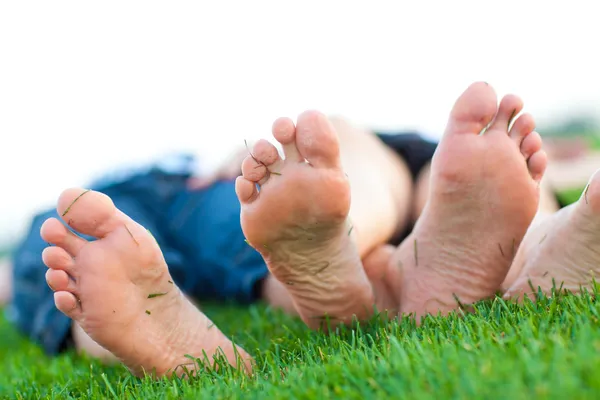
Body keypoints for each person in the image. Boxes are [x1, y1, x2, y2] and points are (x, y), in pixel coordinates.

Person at [4, 82, 599, 378]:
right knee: (363, 162)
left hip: (196, 196)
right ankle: (534, 249)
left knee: (69, 254)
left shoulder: (184, 178)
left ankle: (344, 255)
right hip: (248, 187)